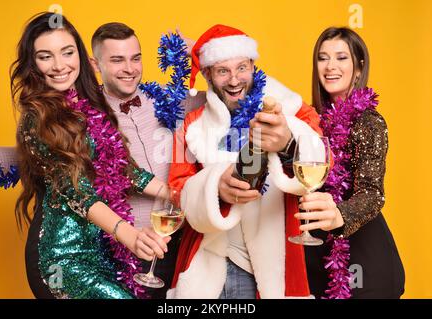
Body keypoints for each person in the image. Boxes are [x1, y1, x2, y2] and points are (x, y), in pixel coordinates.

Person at [0, 21, 203, 298]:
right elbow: (75, 189)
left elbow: (120, 167)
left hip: (102, 254)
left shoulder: (86, 105)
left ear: (79, 55)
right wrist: (128, 234)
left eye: (67, 52)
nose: (59, 65)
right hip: (63, 258)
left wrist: (174, 192)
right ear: (32, 63)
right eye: (45, 56)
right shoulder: (37, 116)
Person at [167, 24, 323, 299]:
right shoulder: (193, 125)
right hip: (208, 259)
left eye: (241, 67)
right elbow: (177, 188)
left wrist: (287, 143)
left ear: (253, 65)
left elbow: (322, 159)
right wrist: (214, 187)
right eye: (222, 70)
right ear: (208, 74)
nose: (234, 80)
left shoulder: (288, 108)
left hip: (267, 265)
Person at [298, 27, 405, 298]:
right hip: (316, 255)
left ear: (358, 68)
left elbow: (372, 193)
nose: (331, 66)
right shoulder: (309, 124)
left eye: (341, 57)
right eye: (323, 58)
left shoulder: (369, 122)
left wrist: (339, 215)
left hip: (363, 258)